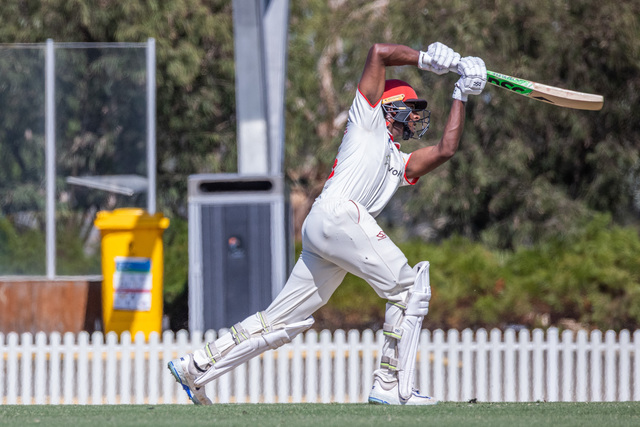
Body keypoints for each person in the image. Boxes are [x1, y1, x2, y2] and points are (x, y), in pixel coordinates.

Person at [168, 41, 486, 405]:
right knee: (409, 289)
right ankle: (389, 383)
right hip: (339, 215)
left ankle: (196, 365)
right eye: (411, 109)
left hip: (328, 228)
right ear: (390, 107)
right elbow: (379, 52)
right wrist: (428, 60)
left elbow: (446, 150)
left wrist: (461, 93)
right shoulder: (367, 119)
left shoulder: (398, 162)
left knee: (281, 322)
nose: (416, 118)